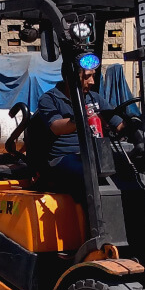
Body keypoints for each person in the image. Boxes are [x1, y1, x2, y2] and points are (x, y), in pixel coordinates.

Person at [37, 60, 124, 201]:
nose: (92, 82)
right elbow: (56, 127)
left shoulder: (93, 97)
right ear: (70, 77)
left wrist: (134, 125)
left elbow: (118, 123)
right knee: (89, 173)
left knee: (129, 167)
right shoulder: (49, 99)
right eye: (87, 76)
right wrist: (82, 118)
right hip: (63, 158)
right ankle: (91, 220)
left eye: (93, 76)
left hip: (93, 153)